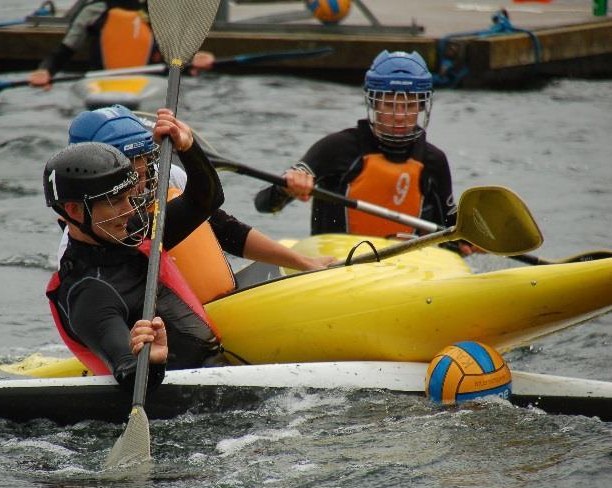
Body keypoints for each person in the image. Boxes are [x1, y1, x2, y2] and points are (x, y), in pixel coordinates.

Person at [61, 105, 335, 303]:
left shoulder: (170, 179)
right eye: (130, 166)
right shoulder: (90, 239)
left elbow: (225, 229)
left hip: (215, 309)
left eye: (144, 160)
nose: (142, 173)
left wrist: (303, 263)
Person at [43, 108, 224, 391]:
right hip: (186, 407)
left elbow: (206, 201)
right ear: (75, 211)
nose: (130, 210)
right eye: (116, 201)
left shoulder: (128, 231)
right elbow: (127, 372)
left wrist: (188, 148)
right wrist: (150, 364)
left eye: (130, 197)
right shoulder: (90, 294)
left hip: (214, 373)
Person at [254, 50, 470, 252]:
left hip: (407, 268)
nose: (400, 115)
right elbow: (263, 204)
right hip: (338, 263)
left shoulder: (434, 161)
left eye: (410, 105)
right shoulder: (336, 148)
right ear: (374, 104)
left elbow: (449, 232)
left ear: (423, 107)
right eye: (389, 104)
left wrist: (467, 242)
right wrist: (287, 187)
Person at [28, 0, 215, 90]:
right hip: (101, 85)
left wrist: (194, 57)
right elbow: (64, 51)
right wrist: (46, 70)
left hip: (149, 86)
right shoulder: (93, 11)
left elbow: (176, 48)